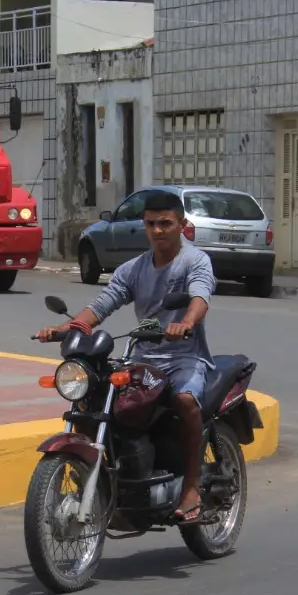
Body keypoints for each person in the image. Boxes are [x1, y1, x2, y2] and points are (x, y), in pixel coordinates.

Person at [37, 189, 216, 525]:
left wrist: (186, 323)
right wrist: (68, 327)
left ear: (182, 225)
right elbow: (105, 302)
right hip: (144, 357)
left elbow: (200, 294)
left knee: (185, 400)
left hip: (184, 357)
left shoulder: (195, 260)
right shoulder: (134, 269)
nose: (158, 230)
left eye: (165, 223)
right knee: (98, 399)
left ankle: (191, 487)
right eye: (151, 223)